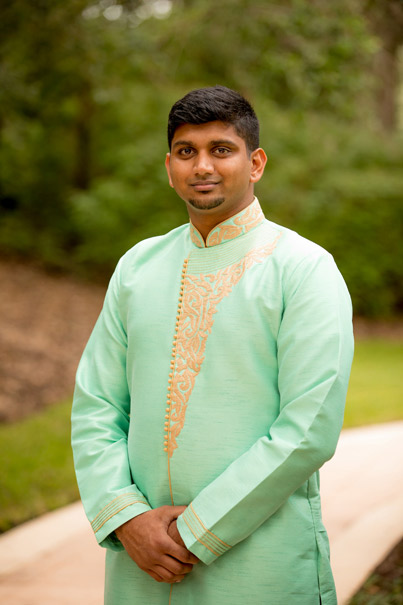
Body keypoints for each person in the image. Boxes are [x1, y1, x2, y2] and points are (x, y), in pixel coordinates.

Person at [71, 85, 354, 605]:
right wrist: (127, 519)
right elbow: (97, 404)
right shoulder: (138, 267)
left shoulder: (303, 267)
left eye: (221, 149)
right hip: (141, 565)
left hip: (258, 564)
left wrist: (195, 531)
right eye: (187, 151)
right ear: (169, 164)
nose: (202, 166)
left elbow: (308, 428)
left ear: (256, 163)